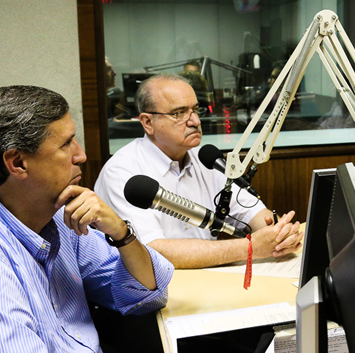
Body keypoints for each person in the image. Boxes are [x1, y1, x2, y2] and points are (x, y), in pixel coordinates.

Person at [0, 85, 174, 353]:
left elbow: (146, 295)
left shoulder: (60, 220)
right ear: (17, 163)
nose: (82, 156)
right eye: (67, 144)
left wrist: (121, 233)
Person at [95, 74, 303, 269]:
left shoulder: (205, 158)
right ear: (148, 123)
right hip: (150, 289)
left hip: (206, 279)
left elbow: (251, 211)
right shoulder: (122, 171)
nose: (194, 121)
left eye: (195, 110)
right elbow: (151, 251)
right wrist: (249, 248)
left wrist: (279, 233)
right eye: (179, 113)